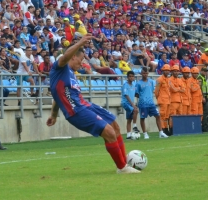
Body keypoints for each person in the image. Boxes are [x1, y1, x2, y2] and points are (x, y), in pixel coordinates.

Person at [47, 34, 140, 174]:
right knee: (108, 132)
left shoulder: (71, 74)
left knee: (115, 126)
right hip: (76, 111)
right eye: (81, 59)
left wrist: (53, 115)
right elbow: (65, 56)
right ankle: (122, 168)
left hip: (85, 105)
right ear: (73, 56)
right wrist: (79, 43)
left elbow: (57, 95)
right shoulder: (60, 67)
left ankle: (124, 161)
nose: (83, 63)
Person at [135, 67, 168, 139]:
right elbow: (136, 94)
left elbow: (153, 90)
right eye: (144, 73)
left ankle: (161, 132)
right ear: (141, 73)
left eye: (146, 73)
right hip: (143, 104)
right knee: (142, 118)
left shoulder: (151, 82)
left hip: (151, 103)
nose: (145, 74)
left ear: (148, 73)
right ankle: (145, 134)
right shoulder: (138, 83)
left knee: (158, 116)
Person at [121, 71, 140, 140]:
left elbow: (134, 94)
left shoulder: (134, 85)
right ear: (127, 77)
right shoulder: (125, 85)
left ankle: (128, 135)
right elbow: (126, 95)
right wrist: (133, 104)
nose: (131, 77)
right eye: (130, 76)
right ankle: (134, 126)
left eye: (132, 76)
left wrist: (140, 95)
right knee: (136, 110)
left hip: (130, 103)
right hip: (125, 103)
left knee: (129, 119)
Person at [155, 64, 171, 136]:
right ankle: (163, 130)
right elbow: (156, 91)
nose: (167, 72)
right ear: (163, 71)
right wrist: (158, 99)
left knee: (166, 116)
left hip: (168, 100)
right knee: (162, 116)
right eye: (166, 70)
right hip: (162, 100)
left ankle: (166, 129)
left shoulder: (168, 79)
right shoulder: (159, 79)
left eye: (168, 70)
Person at [168, 65, 184, 134]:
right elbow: (173, 89)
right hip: (173, 101)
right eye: (174, 71)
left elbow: (183, 89)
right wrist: (179, 88)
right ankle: (172, 130)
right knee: (172, 116)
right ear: (172, 72)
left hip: (180, 100)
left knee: (180, 116)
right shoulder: (169, 80)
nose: (176, 72)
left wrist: (177, 89)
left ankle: (179, 129)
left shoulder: (180, 80)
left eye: (177, 71)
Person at [197, 67, 208, 132]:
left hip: (205, 98)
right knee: (206, 113)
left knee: (205, 113)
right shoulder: (200, 78)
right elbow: (200, 88)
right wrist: (202, 97)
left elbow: (205, 87)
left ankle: (204, 126)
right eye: (205, 71)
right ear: (201, 71)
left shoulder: (203, 78)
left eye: (206, 71)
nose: (206, 73)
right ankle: (205, 127)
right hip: (203, 98)